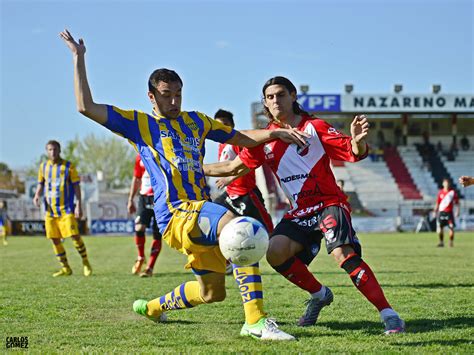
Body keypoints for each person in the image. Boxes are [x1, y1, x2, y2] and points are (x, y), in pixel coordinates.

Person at [60, 29, 309, 340]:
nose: (174, 100)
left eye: (178, 93)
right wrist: (78, 58)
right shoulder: (139, 124)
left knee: (211, 294)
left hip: (199, 212)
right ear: (151, 95)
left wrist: (274, 133)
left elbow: (240, 137)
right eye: (167, 94)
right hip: (176, 214)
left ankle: (152, 307)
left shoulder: (197, 121)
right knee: (240, 229)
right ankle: (255, 321)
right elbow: (86, 106)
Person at [204, 76, 405, 335]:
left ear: (293, 96)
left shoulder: (315, 127)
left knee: (342, 253)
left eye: (281, 94)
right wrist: (192, 168)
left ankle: (389, 315)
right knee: (274, 252)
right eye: (270, 97)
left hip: (328, 203)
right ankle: (320, 295)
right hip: (299, 211)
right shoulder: (265, 140)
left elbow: (353, 152)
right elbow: (231, 167)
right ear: (265, 102)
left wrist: (357, 140)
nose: (276, 100)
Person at [213, 109, 274, 275]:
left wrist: (229, 179)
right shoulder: (220, 144)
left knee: (270, 233)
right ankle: (226, 261)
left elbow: (249, 164)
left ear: (232, 126)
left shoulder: (238, 142)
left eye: (225, 125)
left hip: (246, 195)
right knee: (210, 221)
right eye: (218, 125)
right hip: (228, 196)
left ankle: (289, 256)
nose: (221, 128)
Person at [33, 140, 92, 277]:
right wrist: (37, 195)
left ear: (59, 150)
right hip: (50, 210)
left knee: (74, 236)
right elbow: (40, 184)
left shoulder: (68, 167)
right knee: (54, 239)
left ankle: (85, 262)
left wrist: (78, 204)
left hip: (66, 209)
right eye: (50, 150)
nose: (52, 152)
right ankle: (65, 268)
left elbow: (77, 186)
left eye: (55, 149)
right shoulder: (43, 167)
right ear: (46, 151)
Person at [128, 155, 163, 277]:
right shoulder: (140, 156)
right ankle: (141, 257)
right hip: (144, 197)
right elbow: (136, 178)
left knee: (158, 233)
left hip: (160, 197)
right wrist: (130, 199)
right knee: (139, 227)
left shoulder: (162, 151)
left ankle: (150, 268)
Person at [434, 178, 460, 247]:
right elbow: (437, 203)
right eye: (445, 183)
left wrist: (457, 211)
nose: (446, 184)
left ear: (449, 184)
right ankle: (441, 242)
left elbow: (457, 203)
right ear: (443, 184)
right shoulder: (440, 192)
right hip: (441, 212)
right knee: (440, 228)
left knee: (451, 227)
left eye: (447, 183)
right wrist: (435, 211)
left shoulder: (452, 192)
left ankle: (451, 242)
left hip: (449, 212)